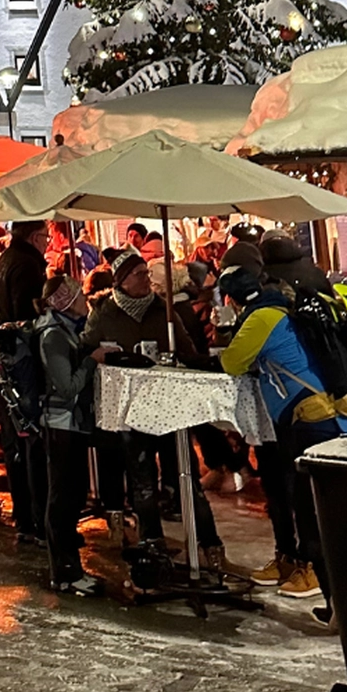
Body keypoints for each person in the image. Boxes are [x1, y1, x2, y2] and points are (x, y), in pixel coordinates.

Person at [82, 249, 222, 581]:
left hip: (171, 408)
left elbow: (187, 350)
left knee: (186, 480)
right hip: (132, 410)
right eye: (138, 275)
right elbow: (86, 349)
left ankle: (210, 544)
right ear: (122, 281)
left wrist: (178, 356)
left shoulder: (165, 310)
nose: (146, 279)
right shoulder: (103, 313)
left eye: (147, 273)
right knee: (142, 481)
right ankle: (152, 543)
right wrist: (101, 358)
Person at [220, 264, 347, 600]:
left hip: (310, 417)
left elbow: (231, 363)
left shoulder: (261, 318)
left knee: (311, 508)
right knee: (328, 504)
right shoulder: (284, 307)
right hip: (331, 412)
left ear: (231, 299)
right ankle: (327, 588)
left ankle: (323, 584)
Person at [36, 274, 105, 596]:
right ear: (65, 302)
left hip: (70, 424)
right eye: (79, 296)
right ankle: (65, 572)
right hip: (61, 424)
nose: (85, 300)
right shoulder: (54, 336)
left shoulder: (65, 330)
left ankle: (69, 570)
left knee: (71, 496)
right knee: (64, 499)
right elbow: (67, 387)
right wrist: (91, 363)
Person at [0, 220, 50, 542]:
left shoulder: (3, 262)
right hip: (21, 364)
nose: (48, 244)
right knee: (32, 442)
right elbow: (27, 318)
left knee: (16, 440)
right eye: (46, 238)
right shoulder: (26, 265)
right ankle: (37, 521)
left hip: (3, 361)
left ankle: (25, 518)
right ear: (34, 237)